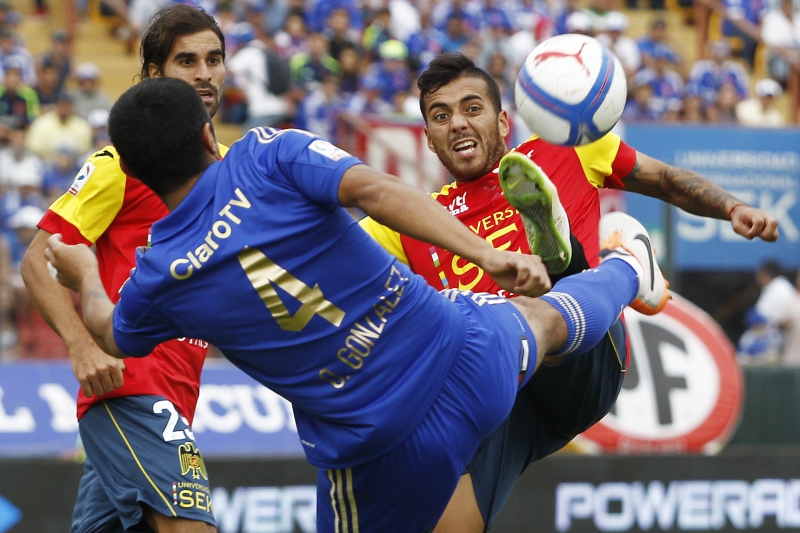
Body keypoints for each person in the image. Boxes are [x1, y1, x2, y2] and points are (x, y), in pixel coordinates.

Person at [48, 75, 664, 533]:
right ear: (210, 133)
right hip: (462, 352)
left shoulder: (157, 276)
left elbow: (111, 333)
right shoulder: (268, 151)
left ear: (132, 170)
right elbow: (374, 188)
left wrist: (83, 271)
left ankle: (623, 271)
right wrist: (489, 255)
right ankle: (628, 267)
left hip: (378, 438)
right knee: (543, 317)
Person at [360, 53, 778, 532]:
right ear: (430, 140)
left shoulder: (566, 149)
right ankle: (605, 262)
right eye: (440, 116)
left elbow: (662, 179)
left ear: (501, 120)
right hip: (502, 391)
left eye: (471, 108)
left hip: (584, 359)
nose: (456, 123)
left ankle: (573, 265)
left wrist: (733, 207)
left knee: (535, 315)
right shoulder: (414, 220)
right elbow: (321, 249)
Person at [20, 5, 227, 533]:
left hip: (177, 397)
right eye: (187, 61)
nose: (204, 73)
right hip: (131, 390)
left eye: (213, 58)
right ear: (154, 75)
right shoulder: (120, 163)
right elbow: (38, 260)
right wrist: (81, 344)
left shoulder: (230, 169)